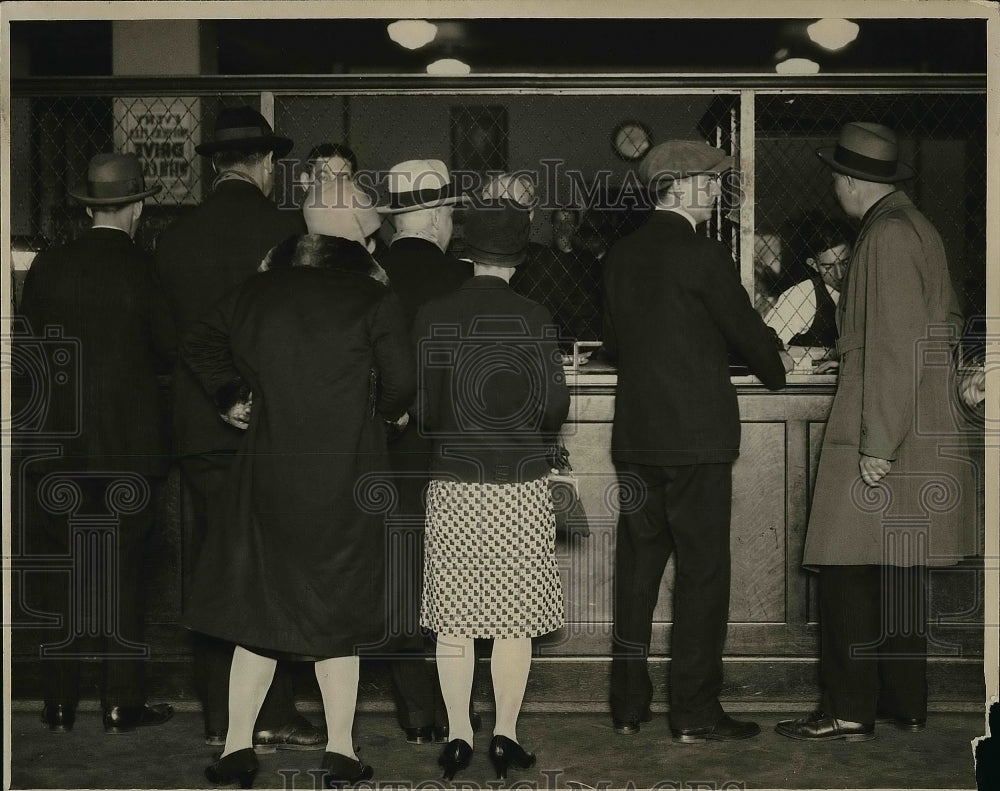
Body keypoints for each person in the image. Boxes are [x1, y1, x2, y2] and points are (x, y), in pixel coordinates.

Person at [181, 178, 415, 788]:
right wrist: (383, 416)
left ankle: (236, 749)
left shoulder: (256, 291)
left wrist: (234, 395)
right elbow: (402, 384)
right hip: (348, 476)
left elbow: (199, 342)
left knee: (258, 610)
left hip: (269, 473)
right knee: (341, 612)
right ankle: (340, 750)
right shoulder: (373, 299)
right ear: (356, 233)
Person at [776, 122, 978, 743]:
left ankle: (848, 710)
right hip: (918, 426)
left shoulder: (884, 236)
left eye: (836, 174)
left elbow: (892, 348)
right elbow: (932, 327)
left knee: (846, 571)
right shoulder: (917, 227)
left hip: (887, 430)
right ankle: (904, 703)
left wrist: (876, 445)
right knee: (898, 572)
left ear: (849, 180)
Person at [602, 140, 788, 742]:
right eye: (709, 183)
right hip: (699, 439)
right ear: (678, 188)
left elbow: (615, 341)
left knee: (636, 570)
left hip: (636, 435)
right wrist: (776, 367)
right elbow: (751, 336)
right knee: (702, 575)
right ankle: (695, 713)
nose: (715, 192)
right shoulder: (703, 256)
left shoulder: (619, 255)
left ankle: (629, 706)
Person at [154, 106, 323, 750]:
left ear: (217, 165)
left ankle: (219, 718)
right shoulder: (285, 230)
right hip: (272, 424)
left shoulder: (173, 236)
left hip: (200, 425)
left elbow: (173, 339)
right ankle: (273, 713)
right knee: (272, 564)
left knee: (211, 566)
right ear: (266, 164)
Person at [411, 198, 570, 780]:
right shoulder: (534, 316)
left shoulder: (433, 313)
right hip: (519, 483)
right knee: (513, 620)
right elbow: (554, 406)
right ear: (518, 258)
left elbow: (425, 407)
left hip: (453, 481)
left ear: (467, 252)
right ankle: (504, 735)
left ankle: (457, 735)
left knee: (453, 618)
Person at [17, 153, 174, 734]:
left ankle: (58, 703)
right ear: (137, 206)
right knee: (125, 573)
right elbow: (169, 349)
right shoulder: (145, 268)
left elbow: (28, 351)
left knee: (60, 576)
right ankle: (121, 701)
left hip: (56, 447)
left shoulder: (49, 266)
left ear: (89, 209)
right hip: (130, 450)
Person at [373, 159, 475, 745]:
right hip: (452, 450)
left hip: (384, 451)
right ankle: (453, 708)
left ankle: (415, 712)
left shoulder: (368, 273)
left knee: (401, 570)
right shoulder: (462, 282)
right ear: (438, 216)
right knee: (455, 578)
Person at [763, 212, 853, 351]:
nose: (839, 274)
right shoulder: (802, 295)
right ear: (813, 265)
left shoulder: (870, 288)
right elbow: (766, 341)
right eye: (828, 267)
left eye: (845, 263)